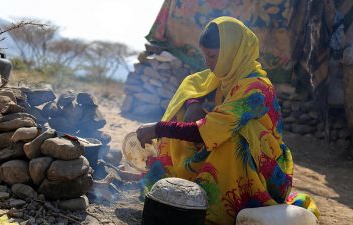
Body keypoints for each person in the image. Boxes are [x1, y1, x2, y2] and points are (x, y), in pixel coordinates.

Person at [136, 16, 319, 225]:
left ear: (232, 52)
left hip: (266, 173)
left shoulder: (255, 89)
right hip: (233, 150)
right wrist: (192, 104)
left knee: (234, 139)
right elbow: (193, 84)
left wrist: (158, 129)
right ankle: (184, 185)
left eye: (212, 56)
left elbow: (208, 130)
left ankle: (217, 209)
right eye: (205, 56)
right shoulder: (229, 76)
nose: (208, 64)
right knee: (190, 116)